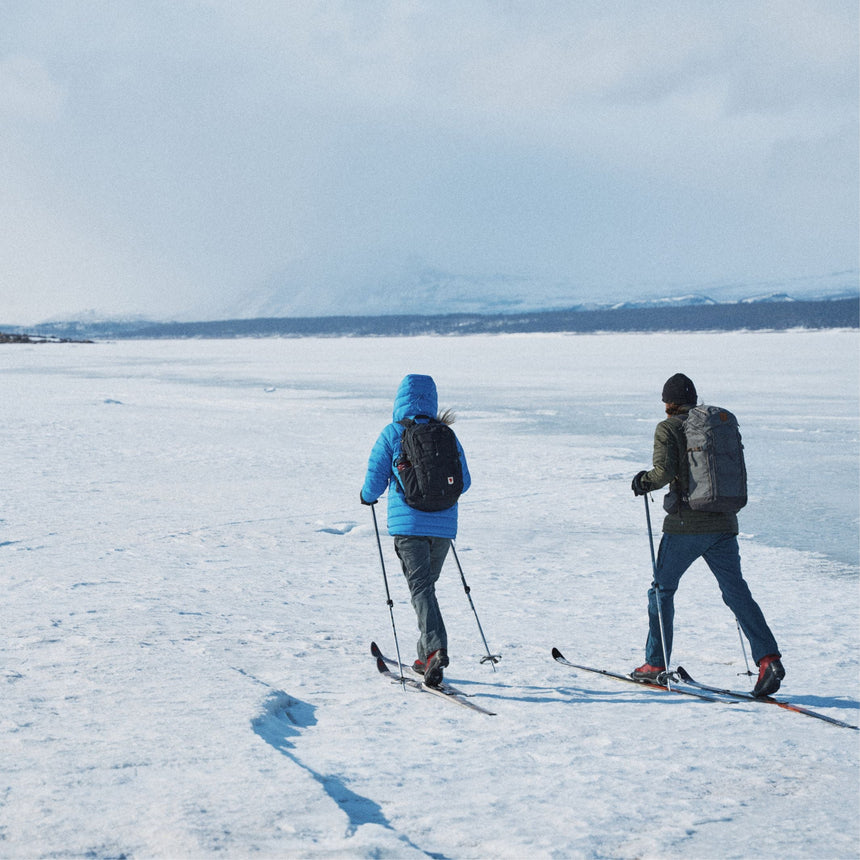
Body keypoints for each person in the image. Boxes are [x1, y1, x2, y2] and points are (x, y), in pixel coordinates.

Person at [630, 372, 785, 697]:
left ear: (667, 403)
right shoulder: (715, 426)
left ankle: (655, 664)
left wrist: (643, 481)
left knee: (662, 590)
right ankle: (767, 659)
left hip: (687, 525)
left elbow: (664, 473)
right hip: (724, 523)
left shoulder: (669, 428)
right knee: (736, 592)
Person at [360, 374, 471, 687]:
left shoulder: (393, 433)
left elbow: (375, 478)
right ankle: (425, 657)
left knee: (421, 588)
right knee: (426, 588)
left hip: (409, 525)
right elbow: (466, 480)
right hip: (444, 526)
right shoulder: (446, 434)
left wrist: (367, 497)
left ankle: (436, 649)